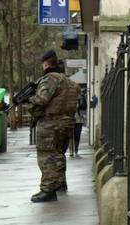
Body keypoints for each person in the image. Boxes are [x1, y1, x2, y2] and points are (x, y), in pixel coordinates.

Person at [27, 50, 79, 202]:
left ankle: (48, 190)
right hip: (66, 123)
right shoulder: (68, 81)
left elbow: (42, 99)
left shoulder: (50, 79)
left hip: (51, 124)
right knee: (58, 154)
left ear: (45, 64)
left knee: (47, 156)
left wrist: (28, 99)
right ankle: (60, 183)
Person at [72, 88, 87, 156]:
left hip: (79, 119)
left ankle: (76, 149)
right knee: (71, 135)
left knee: (77, 135)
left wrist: (79, 106)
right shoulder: (69, 97)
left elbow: (85, 106)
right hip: (71, 119)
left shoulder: (82, 97)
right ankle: (71, 150)